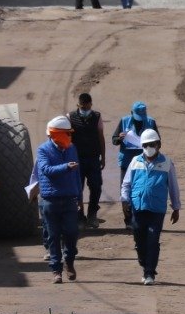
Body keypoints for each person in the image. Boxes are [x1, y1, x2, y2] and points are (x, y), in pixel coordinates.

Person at [120, 129, 181, 285]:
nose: (149, 147)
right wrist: (125, 200)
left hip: (156, 210)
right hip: (137, 208)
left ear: (158, 145)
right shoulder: (135, 162)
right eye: (146, 145)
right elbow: (126, 184)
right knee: (139, 241)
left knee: (153, 240)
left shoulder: (167, 163)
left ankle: (149, 273)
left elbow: (173, 186)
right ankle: (144, 263)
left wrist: (176, 207)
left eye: (152, 144)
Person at [34, 115, 83, 283]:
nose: (70, 137)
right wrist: (65, 167)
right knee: (53, 236)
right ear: (56, 134)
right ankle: (56, 270)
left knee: (71, 232)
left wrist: (80, 197)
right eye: (67, 134)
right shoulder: (43, 150)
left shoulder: (72, 149)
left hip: (70, 198)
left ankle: (69, 262)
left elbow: (77, 174)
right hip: (50, 201)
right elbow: (46, 169)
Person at [111, 102, 158, 230]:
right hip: (126, 162)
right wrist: (120, 138)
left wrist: (149, 145)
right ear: (132, 113)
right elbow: (114, 140)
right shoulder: (124, 121)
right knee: (126, 190)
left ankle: (140, 218)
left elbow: (158, 142)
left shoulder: (151, 122)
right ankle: (128, 220)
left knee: (143, 190)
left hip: (144, 164)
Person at [69, 93, 106, 228]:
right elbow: (67, 139)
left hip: (93, 159)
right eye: (83, 107)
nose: (85, 110)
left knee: (96, 186)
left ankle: (92, 214)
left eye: (87, 107)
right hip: (76, 160)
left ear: (91, 104)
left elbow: (101, 137)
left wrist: (103, 157)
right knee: (77, 189)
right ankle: (80, 217)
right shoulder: (71, 117)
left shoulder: (97, 116)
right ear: (78, 105)